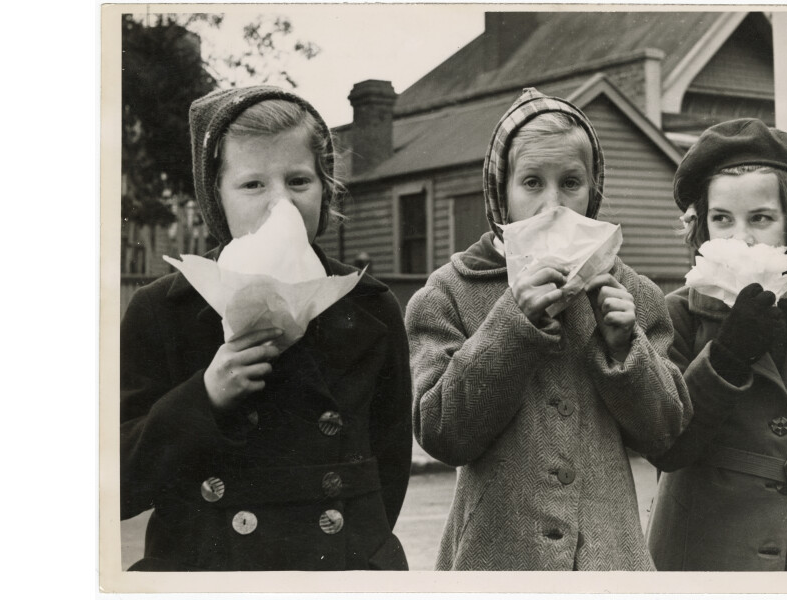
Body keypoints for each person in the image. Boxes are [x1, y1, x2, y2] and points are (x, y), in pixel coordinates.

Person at [120, 86, 412, 571]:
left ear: (326, 187)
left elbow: (390, 467)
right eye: (254, 185)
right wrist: (204, 398)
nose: (281, 205)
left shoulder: (370, 307)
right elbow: (115, 487)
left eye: (298, 181)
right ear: (217, 196)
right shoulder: (162, 311)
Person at [405, 88, 691, 571]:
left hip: (608, 564)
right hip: (494, 561)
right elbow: (442, 434)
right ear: (501, 191)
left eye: (571, 183)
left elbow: (664, 435)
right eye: (532, 183)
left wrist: (626, 348)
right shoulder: (448, 293)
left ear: (593, 190)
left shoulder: (634, 294)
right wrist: (512, 323)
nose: (553, 206)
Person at [645, 118, 787, 571]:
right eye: (723, 220)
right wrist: (727, 354)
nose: (740, 237)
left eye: (760, 218)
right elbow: (666, 445)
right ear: (702, 228)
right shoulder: (675, 314)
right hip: (707, 552)